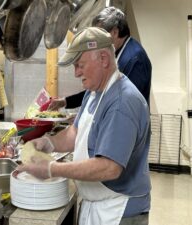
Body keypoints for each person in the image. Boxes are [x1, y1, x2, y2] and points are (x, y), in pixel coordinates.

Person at [16, 27, 151, 225]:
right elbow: (76, 132)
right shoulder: (94, 90)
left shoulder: (122, 102)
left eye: (80, 65)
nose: (76, 73)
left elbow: (109, 168)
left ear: (104, 59)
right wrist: (49, 143)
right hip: (96, 206)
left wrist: (52, 169)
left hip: (119, 211)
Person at [48, 6, 152, 111]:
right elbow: (97, 90)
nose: (96, 41)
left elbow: (127, 103)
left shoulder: (135, 58)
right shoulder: (117, 52)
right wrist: (66, 101)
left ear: (115, 32)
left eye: (100, 34)